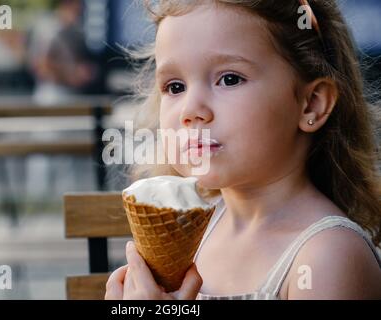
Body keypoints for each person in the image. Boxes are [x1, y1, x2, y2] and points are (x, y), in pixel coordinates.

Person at [105, 0, 381, 300]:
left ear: (311, 103)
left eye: (229, 79)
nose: (191, 110)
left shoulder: (329, 257)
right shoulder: (190, 234)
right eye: (175, 87)